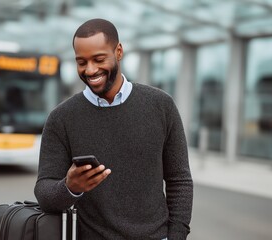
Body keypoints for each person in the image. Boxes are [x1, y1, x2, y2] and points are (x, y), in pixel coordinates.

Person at [34, 18, 193, 240]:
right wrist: (70, 187)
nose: (90, 70)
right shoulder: (61, 118)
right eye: (81, 62)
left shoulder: (161, 106)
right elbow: (43, 192)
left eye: (98, 59)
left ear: (118, 51)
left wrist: (176, 236)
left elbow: (179, 180)